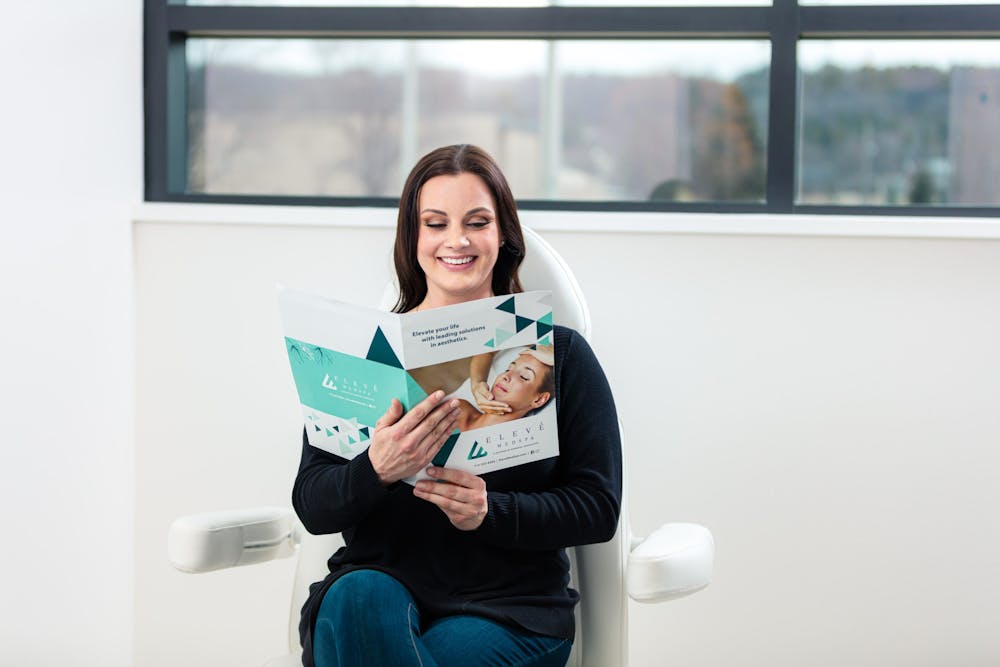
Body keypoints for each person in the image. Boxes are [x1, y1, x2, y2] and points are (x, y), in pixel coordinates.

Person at [292, 144, 622, 667]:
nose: (457, 240)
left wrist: (491, 512)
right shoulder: (360, 359)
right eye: (435, 223)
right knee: (358, 596)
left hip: (511, 612)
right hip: (372, 594)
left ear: (502, 236)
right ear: (413, 238)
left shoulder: (561, 356)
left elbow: (597, 508)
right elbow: (311, 503)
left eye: (477, 221)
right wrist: (375, 469)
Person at [453, 346, 554, 432]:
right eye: (508, 369)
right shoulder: (458, 408)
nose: (506, 375)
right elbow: (488, 346)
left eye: (524, 376)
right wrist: (476, 384)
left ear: (539, 399)